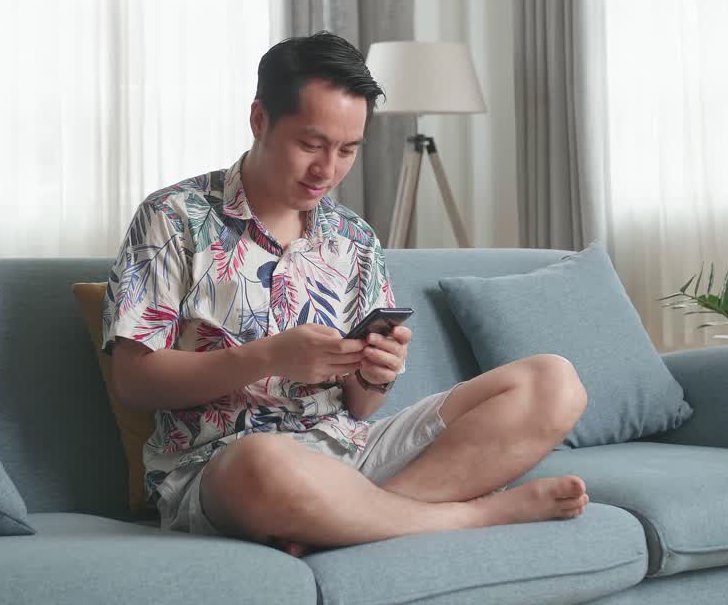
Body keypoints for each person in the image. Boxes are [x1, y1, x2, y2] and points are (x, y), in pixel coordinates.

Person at [102, 31, 589, 556]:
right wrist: (268, 358)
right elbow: (133, 381)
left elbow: (360, 407)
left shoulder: (354, 237)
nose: (327, 169)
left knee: (552, 381)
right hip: (224, 466)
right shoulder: (174, 217)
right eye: (310, 145)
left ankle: (343, 521)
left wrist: (375, 372)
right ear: (260, 119)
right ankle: (471, 515)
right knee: (264, 461)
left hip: (351, 452)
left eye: (347, 150)